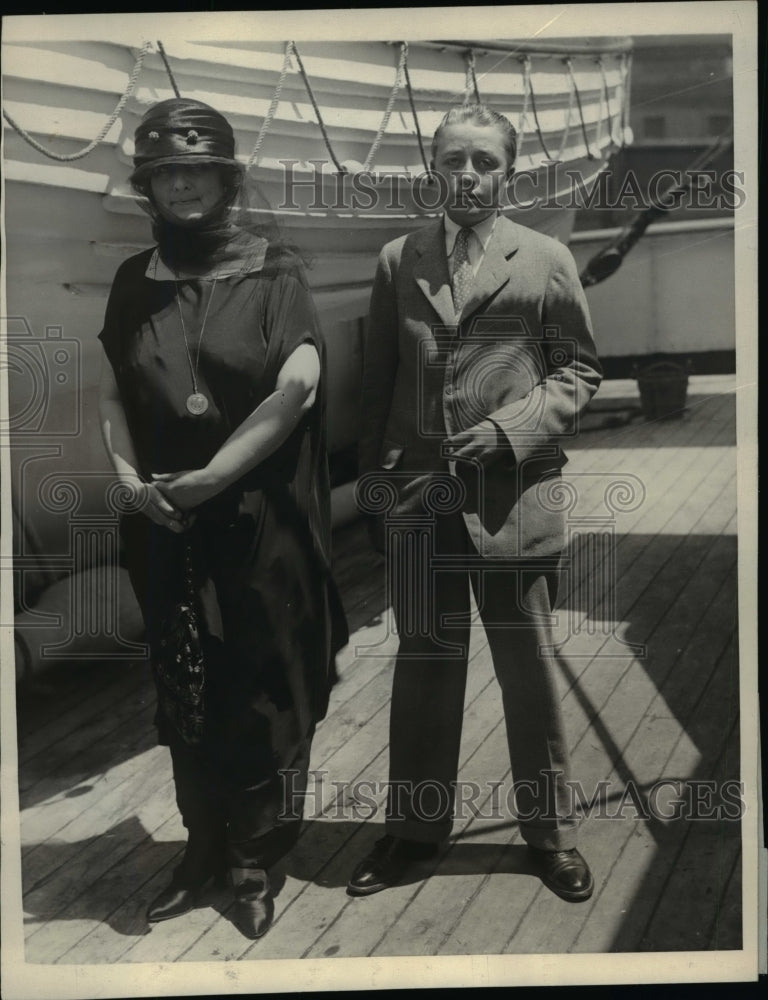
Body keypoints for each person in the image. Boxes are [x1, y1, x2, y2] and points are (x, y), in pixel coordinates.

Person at [98, 98, 347, 939]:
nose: (183, 183)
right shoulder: (135, 280)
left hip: (254, 518)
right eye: (167, 171)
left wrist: (208, 478)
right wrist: (134, 482)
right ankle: (201, 849)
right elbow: (113, 387)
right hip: (164, 519)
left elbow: (297, 387)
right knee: (184, 682)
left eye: (197, 169)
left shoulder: (275, 271)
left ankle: (255, 860)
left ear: (225, 180)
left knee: (262, 686)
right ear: (150, 188)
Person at [349, 104, 602, 902]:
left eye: (483, 162)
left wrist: (511, 429)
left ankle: (551, 835)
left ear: (508, 173)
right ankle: (415, 830)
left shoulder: (548, 259)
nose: (467, 175)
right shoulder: (399, 258)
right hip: (421, 502)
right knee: (425, 666)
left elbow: (578, 371)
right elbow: (377, 383)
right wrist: (376, 492)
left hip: (512, 500)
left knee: (526, 670)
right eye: (452, 160)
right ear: (434, 168)